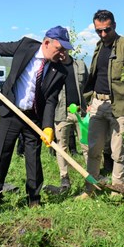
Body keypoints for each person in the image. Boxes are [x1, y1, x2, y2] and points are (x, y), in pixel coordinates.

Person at [0, 26, 71, 210]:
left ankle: (34, 198)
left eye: (65, 49)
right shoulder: (25, 46)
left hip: (34, 118)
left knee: (33, 158)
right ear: (46, 43)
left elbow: (50, 100)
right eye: (59, 48)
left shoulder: (60, 71)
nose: (62, 53)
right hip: (11, 111)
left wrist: (48, 127)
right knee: (3, 154)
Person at [79, 9, 124, 199]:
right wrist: (90, 100)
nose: (103, 34)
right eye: (99, 31)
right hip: (98, 103)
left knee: (118, 151)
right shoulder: (98, 46)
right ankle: (90, 188)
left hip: (120, 105)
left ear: (114, 25)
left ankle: (118, 188)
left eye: (107, 30)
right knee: (93, 149)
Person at [50, 54, 88, 192]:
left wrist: (88, 104)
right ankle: (64, 177)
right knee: (61, 147)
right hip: (61, 113)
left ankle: (91, 174)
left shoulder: (80, 65)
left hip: (80, 112)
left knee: (86, 145)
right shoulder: (52, 66)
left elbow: (88, 86)